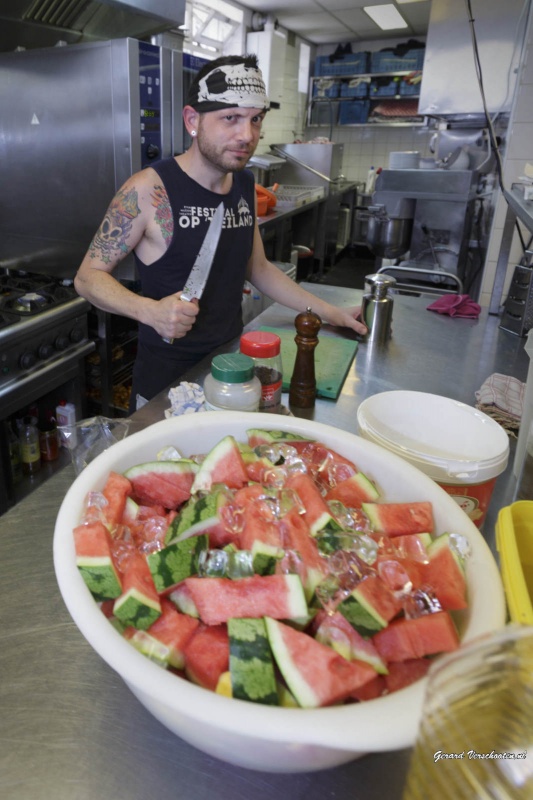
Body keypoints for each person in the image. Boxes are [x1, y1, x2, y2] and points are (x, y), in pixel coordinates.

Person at [74, 53, 367, 413]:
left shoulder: (243, 183)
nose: (247, 135)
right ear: (192, 120)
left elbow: (258, 268)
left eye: (255, 119)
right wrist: (149, 311)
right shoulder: (149, 190)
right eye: (231, 118)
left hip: (233, 366)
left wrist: (331, 313)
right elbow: (88, 278)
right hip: (168, 380)